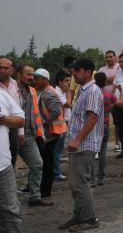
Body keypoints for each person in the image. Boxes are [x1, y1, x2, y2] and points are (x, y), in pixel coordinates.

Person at [59, 58, 103, 232]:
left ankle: (89, 219)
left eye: (77, 71)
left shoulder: (92, 90)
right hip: (78, 144)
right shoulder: (83, 90)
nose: (74, 74)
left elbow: (92, 117)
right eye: (73, 71)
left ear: (87, 72)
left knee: (80, 183)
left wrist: (77, 139)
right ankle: (78, 216)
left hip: (85, 144)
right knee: (75, 183)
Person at [15, 65, 53, 207]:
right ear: (19, 75)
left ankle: (35, 197)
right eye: (28, 74)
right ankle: (8, 200)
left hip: (29, 135)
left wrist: (40, 134)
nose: (31, 77)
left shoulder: (32, 91)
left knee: (37, 164)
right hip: (11, 135)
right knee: (8, 169)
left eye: (33, 75)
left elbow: (35, 114)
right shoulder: (10, 91)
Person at [33, 69, 67, 199]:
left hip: (50, 133)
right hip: (50, 132)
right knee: (46, 161)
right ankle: (43, 189)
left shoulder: (48, 93)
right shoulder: (44, 92)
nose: (35, 81)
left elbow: (56, 110)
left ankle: (45, 192)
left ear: (44, 79)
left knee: (47, 163)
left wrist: (45, 122)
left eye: (37, 78)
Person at [0, 89, 25, 233]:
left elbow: (20, 120)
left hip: (3, 166)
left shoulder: (2, 94)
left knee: (10, 212)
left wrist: (4, 120)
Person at [91, 72, 122, 186]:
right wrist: (121, 92)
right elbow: (120, 103)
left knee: (91, 152)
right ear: (105, 81)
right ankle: (101, 178)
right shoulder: (108, 94)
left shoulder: (92, 93)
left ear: (94, 81)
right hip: (104, 124)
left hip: (93, 125)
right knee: (103, 152)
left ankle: (91, 179)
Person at [98, 50, 121, 152]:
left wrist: (106, 80)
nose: (108, 59)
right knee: (102, 123)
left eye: (110, 56)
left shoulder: (120, 67)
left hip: (116, 99)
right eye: (107, 57)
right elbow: (99, 82)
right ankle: (101, 144)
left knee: (117, 122)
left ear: (115, 57)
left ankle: (117, 143)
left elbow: (118, 79)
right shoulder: (101, 69)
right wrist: (113, 79)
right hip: (103, 100)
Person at [0, 56, 20, 167]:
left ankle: (9, 183)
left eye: (5, 68)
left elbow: (18, 107)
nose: (2, 70)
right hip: (1, 126)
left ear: (12, 69)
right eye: (0, 67)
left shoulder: (14, 84)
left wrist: (20, 131)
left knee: (11, 158)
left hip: (13, 126)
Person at [53, 70, 71, 181]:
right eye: (66, 81)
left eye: (69, 80)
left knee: (59, 150)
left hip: (64, 123)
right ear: (60, 82)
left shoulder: (62, 92)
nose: (68, 83)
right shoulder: (57, 92)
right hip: (58, 124)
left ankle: (56, 171)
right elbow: (68, 104)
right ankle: (56, 173)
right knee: (57, 150)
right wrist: (69, 92)